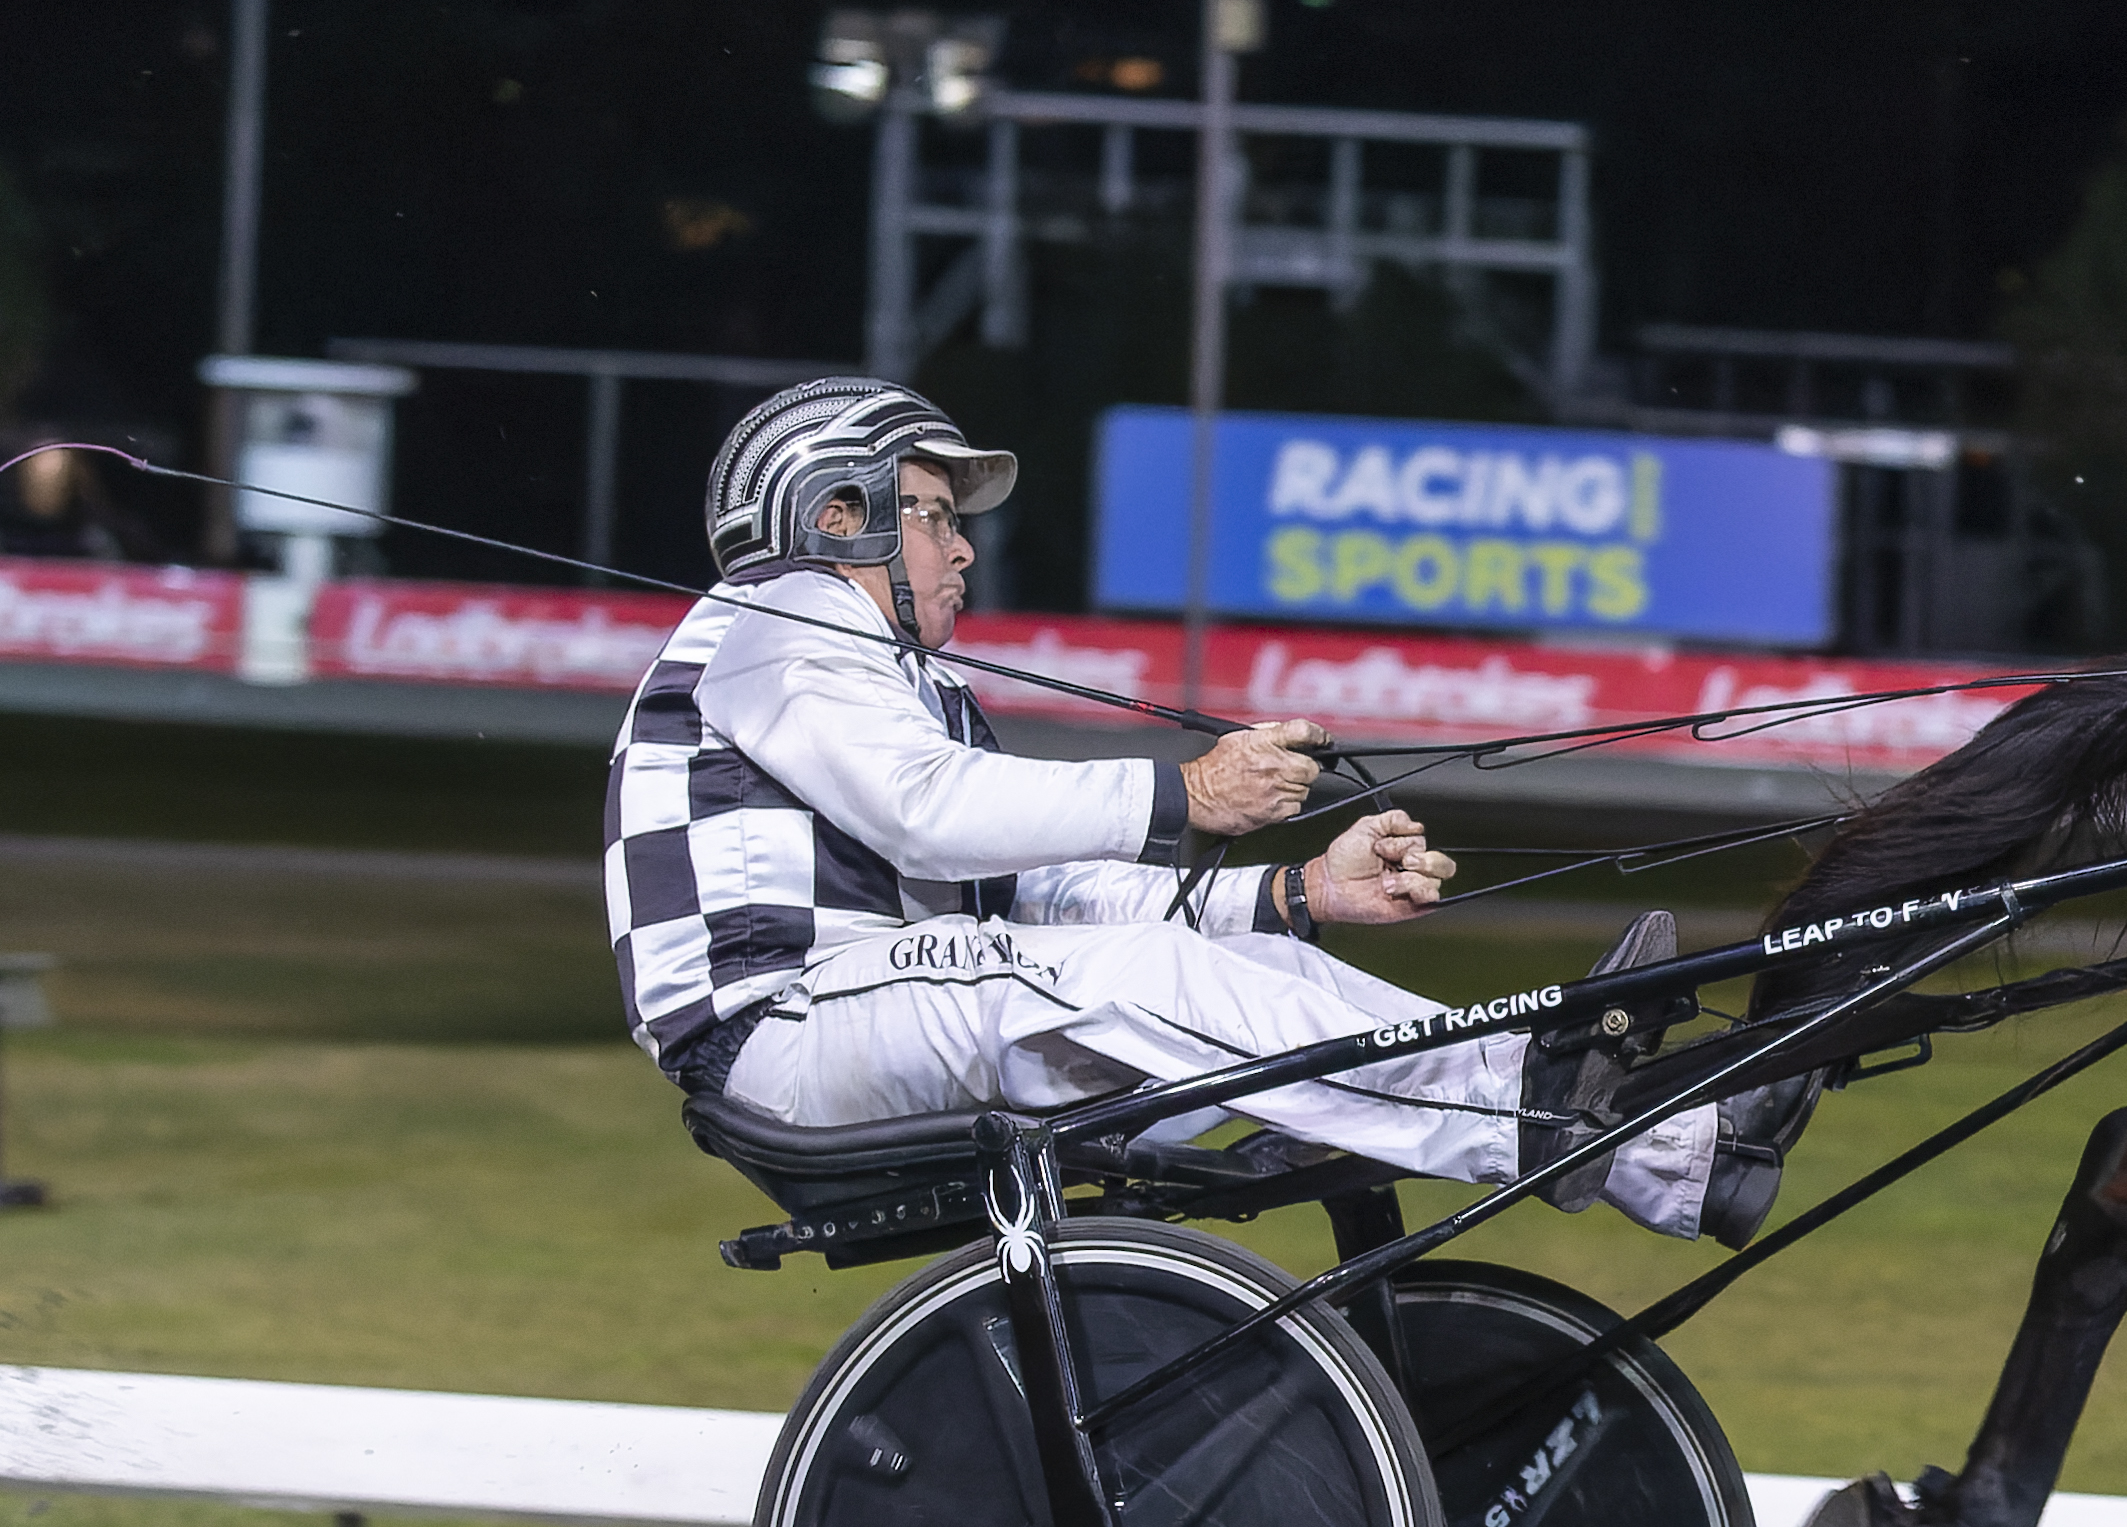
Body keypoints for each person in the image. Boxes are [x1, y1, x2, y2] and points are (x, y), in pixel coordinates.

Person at [607, 377, 1797, 1239]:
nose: (962, 550)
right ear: (835, 513)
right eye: (932, 513)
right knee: (1122, 973)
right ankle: (1536, 1111)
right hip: (780, 1034)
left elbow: (1037, 887)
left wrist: (1293, 895)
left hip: (884, 1013)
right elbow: (929, 817)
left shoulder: (908, 686)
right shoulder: (779, 617)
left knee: (1277, 980)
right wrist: (1191, 792)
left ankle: (1674, 1152)